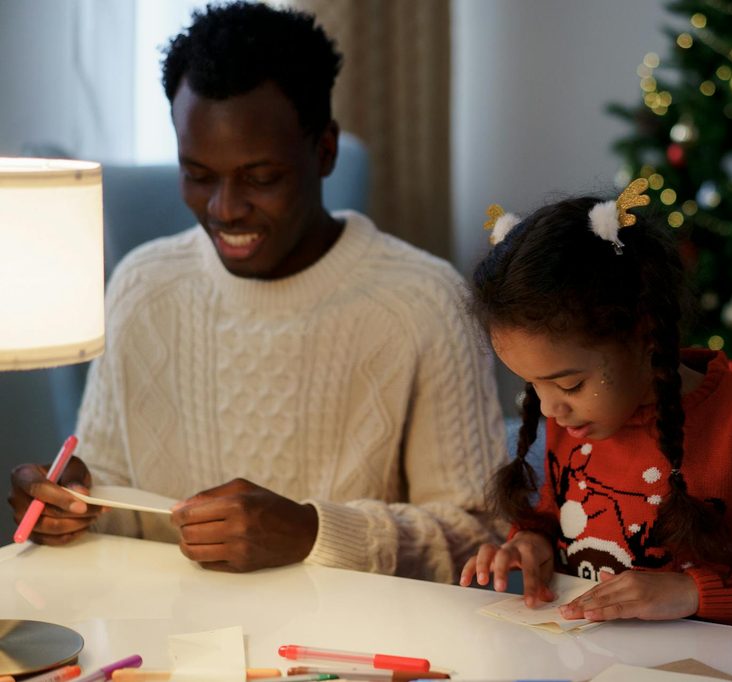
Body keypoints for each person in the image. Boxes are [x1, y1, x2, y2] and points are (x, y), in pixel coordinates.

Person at [7, 1, 507, 579]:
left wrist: (312, 532)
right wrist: (70, 507)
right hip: (166, 650)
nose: (224, 208)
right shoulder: (142, 287)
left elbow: (481, 537)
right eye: (198, 175)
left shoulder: (425, 303)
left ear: (324, 152)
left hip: (346, 654)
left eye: (261, 179)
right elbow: (109, 495)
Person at [458, 181, 732, 633]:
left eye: (569, 383)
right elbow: (558, 517)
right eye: (533, 385)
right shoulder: (581, 420)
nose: (550, 410)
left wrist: (693, 591)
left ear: (645, 336)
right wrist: (531, 542)